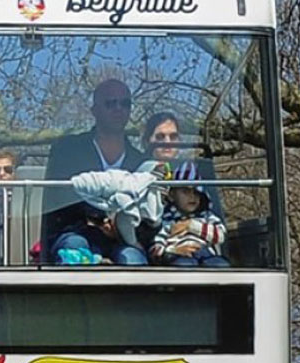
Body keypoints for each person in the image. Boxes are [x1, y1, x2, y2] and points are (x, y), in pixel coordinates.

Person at [40, 77, 146, 254]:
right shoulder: (67, 150)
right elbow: (58, 200)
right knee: (75, 249)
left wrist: (121, 227)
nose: (118, 109)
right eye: (111, 103)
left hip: (123, 239)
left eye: (125, 103)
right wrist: (100, 220)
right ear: (94, 111)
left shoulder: (140, 161)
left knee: (133, 258)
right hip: (74, 232)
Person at [49, 165, 160, 265]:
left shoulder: (142, 166)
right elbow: (61, 205)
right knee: (74, 244)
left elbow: (153, 222)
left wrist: (124, 233)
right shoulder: (75, 164)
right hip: (81, 232)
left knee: (131, 257)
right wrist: (96, 222)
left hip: (123, 241)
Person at [149, 175, 229, 267]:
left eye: (196, 192)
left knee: (220, 264)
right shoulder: (167, 221)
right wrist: (173, 250)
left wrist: (191, 225)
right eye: (185, 192)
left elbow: (220, 236)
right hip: (179, 255)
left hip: (206, 253)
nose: (192, 197)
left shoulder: (207, 217)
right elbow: (156, 248)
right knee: (185, 265)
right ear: (171, 196)